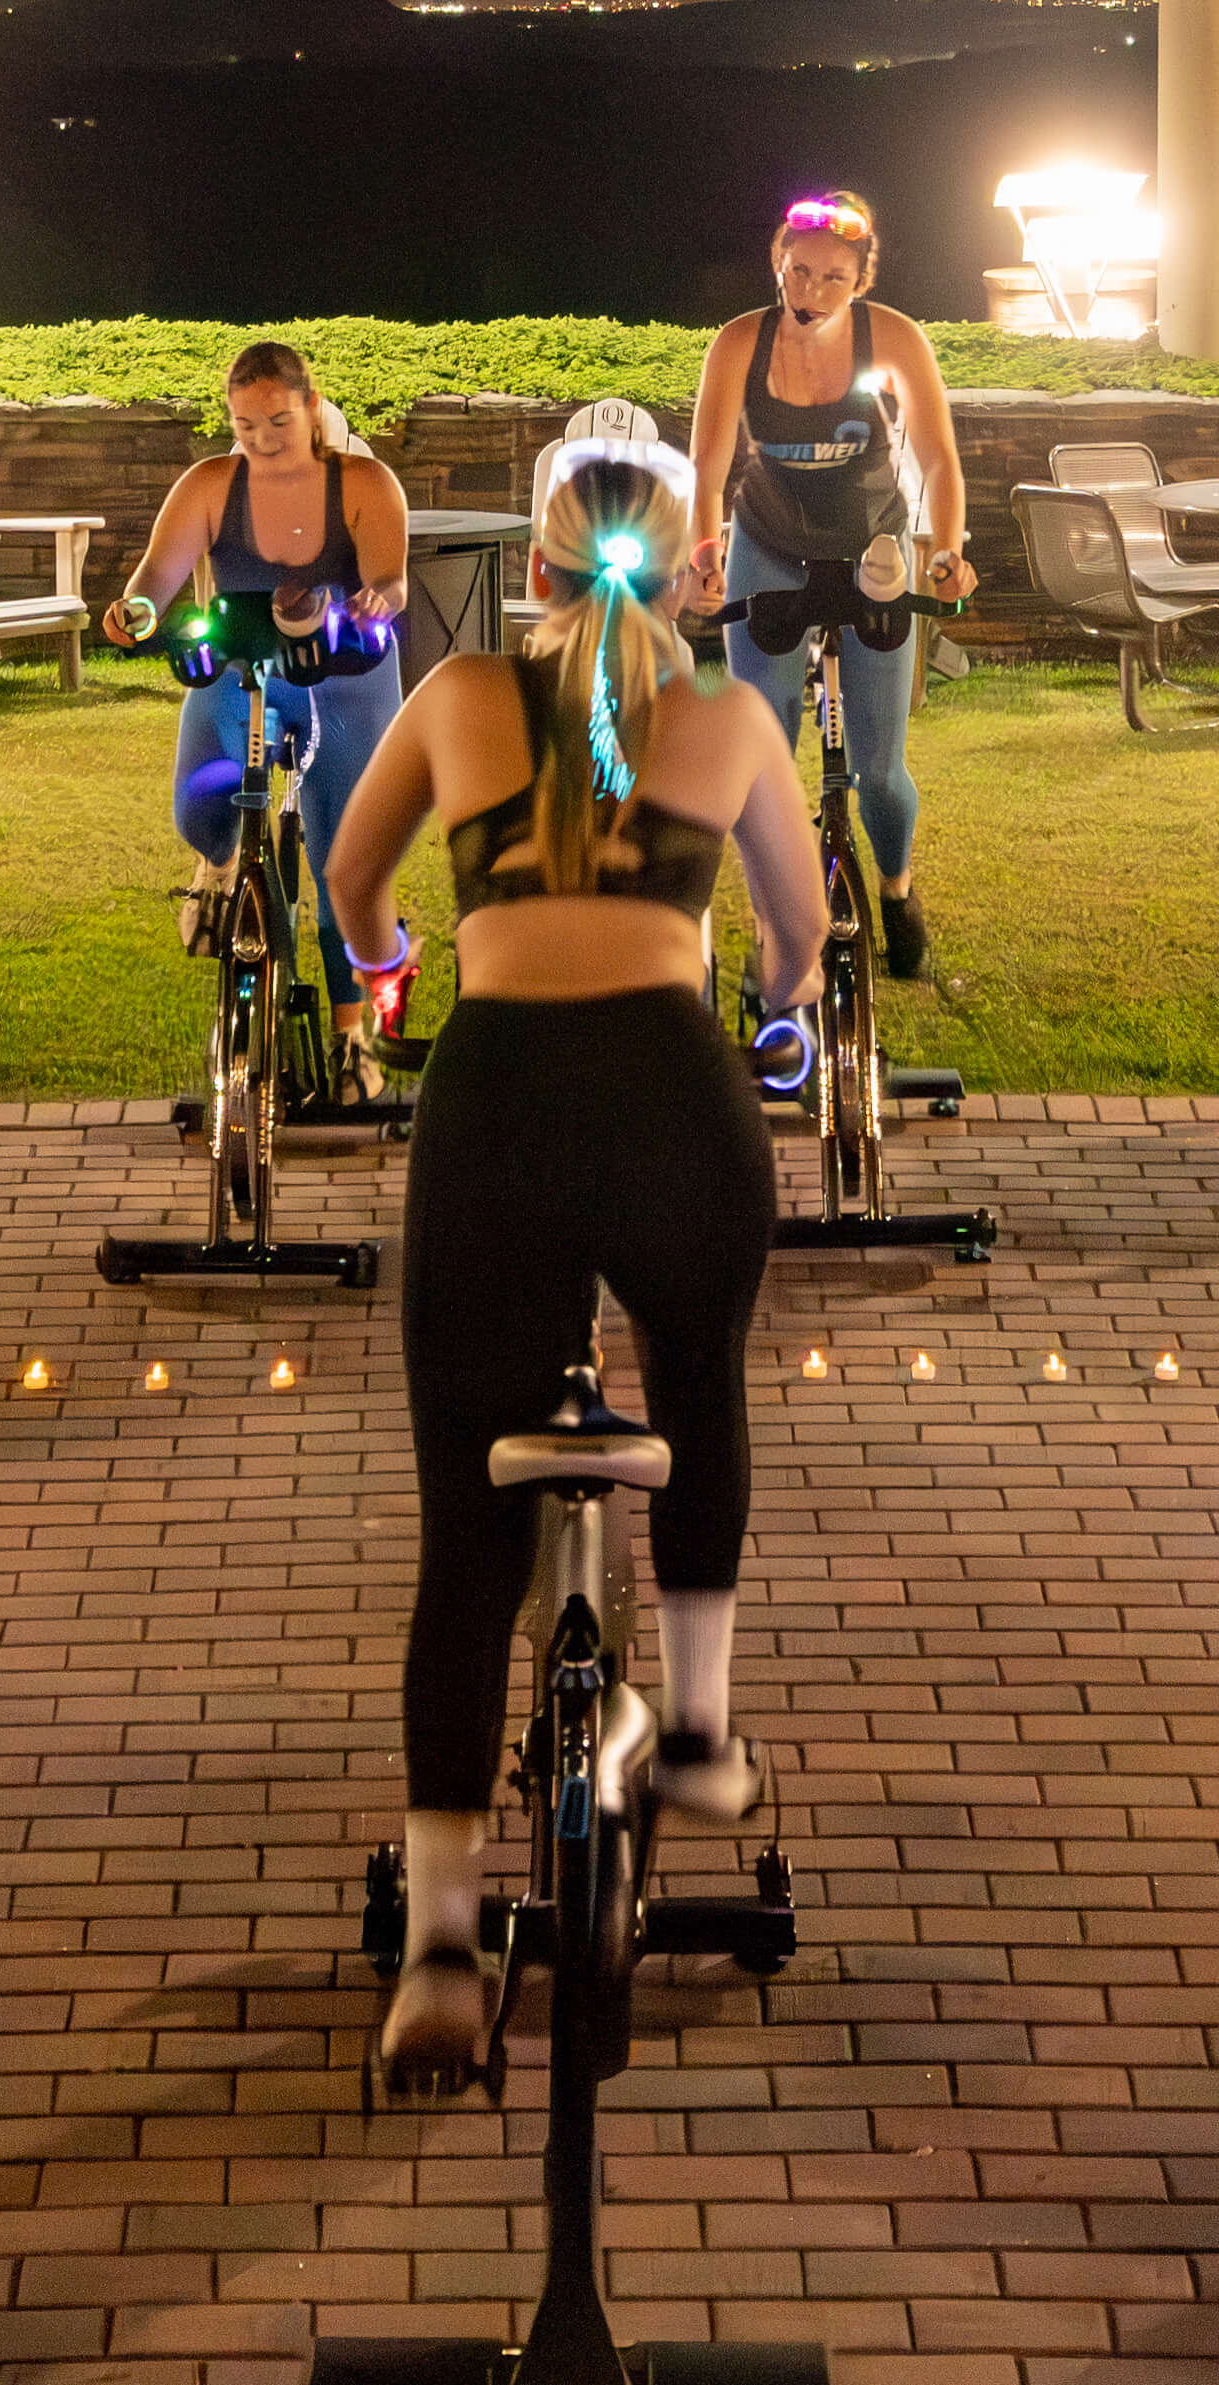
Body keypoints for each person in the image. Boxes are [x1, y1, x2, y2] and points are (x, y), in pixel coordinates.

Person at [319, 436, 826, 2103]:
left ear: (528, 571)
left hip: (504, 1106)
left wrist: (392, 964)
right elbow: (800, 929)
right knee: (696, 1386)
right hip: (676, 1104)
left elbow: (349, 878)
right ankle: (694, 1725)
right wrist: (775, 996)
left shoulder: (462, 695)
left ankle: (446, 1954)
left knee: (466, 1536)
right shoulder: (728, 718)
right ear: (688, 580)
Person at [674, 191, 974, 999]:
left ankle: (898, 887)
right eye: (799, 271)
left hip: (872, 548)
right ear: (779, 261)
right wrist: (706, 555)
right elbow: (704, 471)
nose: (810, 291)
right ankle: (778, 926)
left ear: (859, 279)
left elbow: (941, 463)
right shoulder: (741, 341)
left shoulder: (896, 339)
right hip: (768, 546)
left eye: (833, 278)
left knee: (877, 770)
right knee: (759, 751)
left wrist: (946, 550)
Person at [108, 341, 419, 1063]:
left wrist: (378, 598)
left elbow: (391, 580)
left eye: (277, 421)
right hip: (244, 652)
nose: (262, 439)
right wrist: (135, 614)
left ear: (311, 409)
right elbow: (153, 581)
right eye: (246, 425)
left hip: (343, 661)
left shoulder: (366, 484)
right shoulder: (210, 484)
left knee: (346, 857)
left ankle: (357, 1042)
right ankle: (221, 859)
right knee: (199, 798)